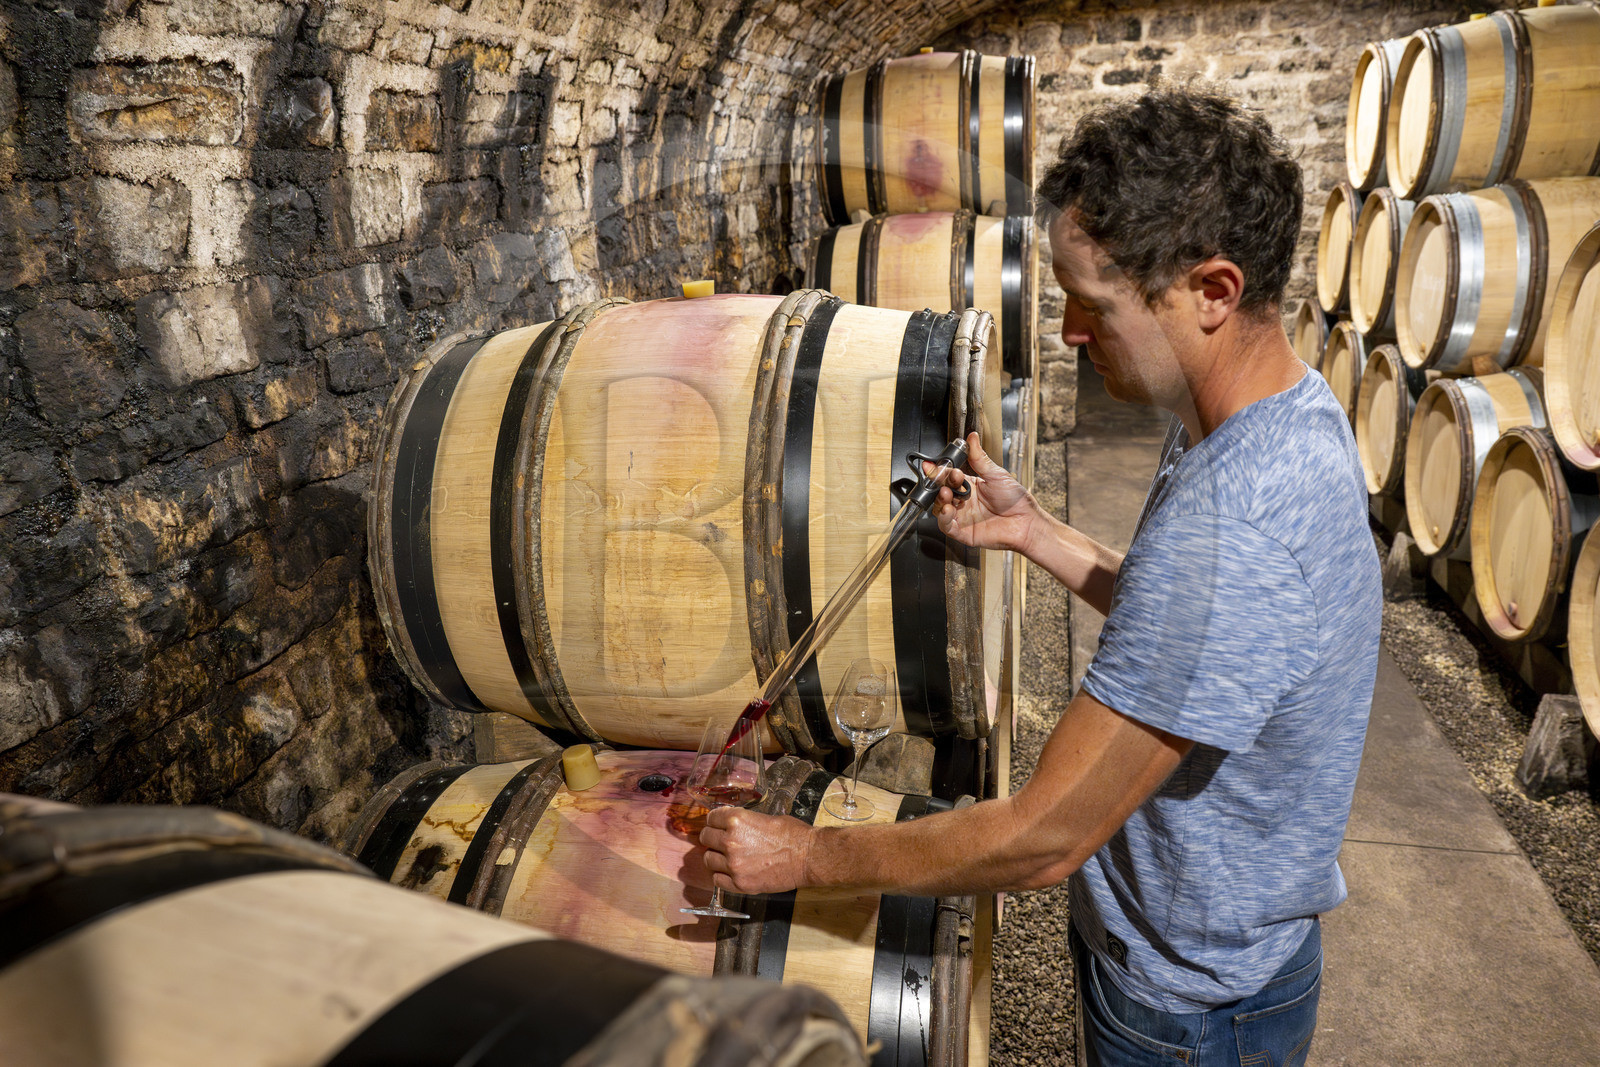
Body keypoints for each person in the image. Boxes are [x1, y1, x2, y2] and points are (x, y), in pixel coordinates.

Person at [701, 82, 1381, 1067]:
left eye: (1094, 302)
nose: (1064, 330)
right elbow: (1192, 635)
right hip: (1216, 961)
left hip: (1186, 1012)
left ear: (1212, 292)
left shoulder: (1233, 524)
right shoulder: (1275, 417)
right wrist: (1036, 532)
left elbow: (1042, 834)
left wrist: (807, 853)